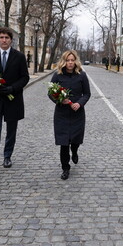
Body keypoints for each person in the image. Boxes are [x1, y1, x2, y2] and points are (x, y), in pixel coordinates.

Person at [0, 27, 30, 174]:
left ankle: (7, 156)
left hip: (12, 99)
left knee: (11, 131)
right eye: (1, 37)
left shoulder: (19, 57)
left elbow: (24, 77)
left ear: (11, 40)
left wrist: (12, 88)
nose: (4, 40)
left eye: (7, 38)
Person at [48, 50, 91, 180]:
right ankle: (65, 168)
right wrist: (60, 100)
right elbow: (50, 93)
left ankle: (75, 151)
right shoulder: (57, 75)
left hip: (77, 113)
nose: (70, 63)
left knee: (75, 140)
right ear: (64, 61)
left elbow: (87, 94)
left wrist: (79, 103)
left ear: (76, 61)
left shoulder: (82, 75)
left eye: (72, 60)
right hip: (62, 113)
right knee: (64, 142)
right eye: (68, 60)